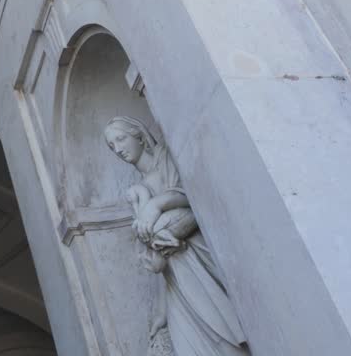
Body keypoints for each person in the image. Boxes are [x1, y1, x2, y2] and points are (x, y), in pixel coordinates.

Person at [103, 116, 249, 356]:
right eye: (112, 146)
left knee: (224, 339)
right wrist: (162, 309)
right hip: (176, 278)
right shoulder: (138, 191)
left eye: (120, 139)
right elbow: (160, 255)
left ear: (138, 135)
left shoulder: (165, 159)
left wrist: (158, 204)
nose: (118, 149)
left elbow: (193, 196)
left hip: (199, 263)